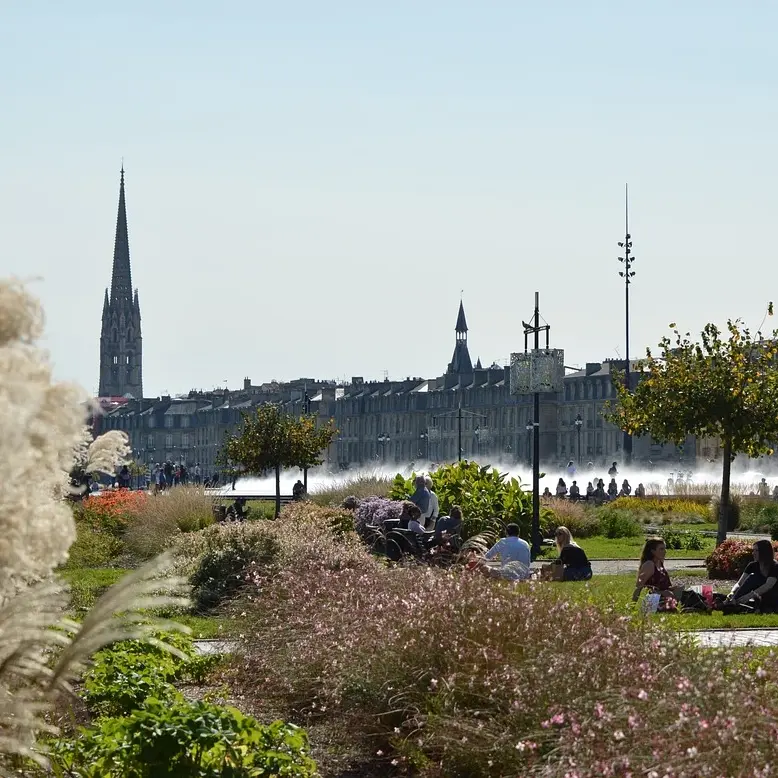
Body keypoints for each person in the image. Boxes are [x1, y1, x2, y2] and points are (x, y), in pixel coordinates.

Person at [725, 540, 778, 612]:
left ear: (764, 552)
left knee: (754, 577)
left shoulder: (775, 566)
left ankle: (730, 603)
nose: (753, 553)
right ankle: (731, 602)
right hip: (758, 598)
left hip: (773, 598)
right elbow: (739, 583)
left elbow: (768, 586)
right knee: (753, 577)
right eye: (753, 550)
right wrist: (732, 592)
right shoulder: (752, 565)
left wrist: (748, 596)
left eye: (756, 551)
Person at [632, 538, 679, 605]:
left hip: (666, 597)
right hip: (653, 601)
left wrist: (672, 588)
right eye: (661, 549)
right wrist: (632, 606)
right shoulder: (649, 565)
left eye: (665, 549)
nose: (665, 551)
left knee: (690, 593)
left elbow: (662, 586)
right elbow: (639, 587)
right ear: (653, 551)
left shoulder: (660, 562)